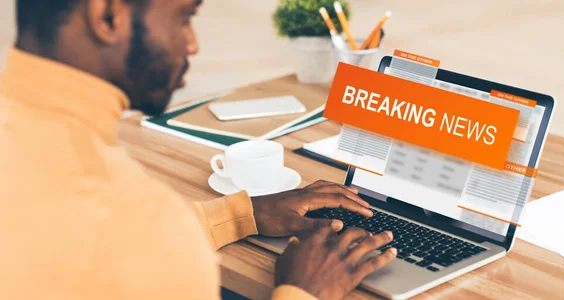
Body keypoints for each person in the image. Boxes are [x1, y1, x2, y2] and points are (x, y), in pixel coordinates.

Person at [0, 0, 397, 299]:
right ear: (107, 16)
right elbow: (124, 233)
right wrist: (305, 291)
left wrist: (242, 214)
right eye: (184, 17)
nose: (192, 45)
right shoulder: (138, 219)